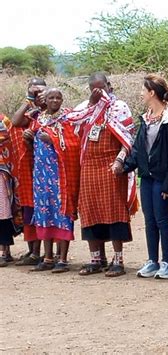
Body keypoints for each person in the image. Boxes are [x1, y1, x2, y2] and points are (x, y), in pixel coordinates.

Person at [68, 73, 138, 277]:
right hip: (88, 165)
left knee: (113, 210)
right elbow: (73, 128)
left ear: (110, 86)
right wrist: (92, 104)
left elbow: (128, 139)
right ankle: (96, 259)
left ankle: (118, 260)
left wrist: (119, 160)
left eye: (102, 88)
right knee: (90, 211)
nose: (99, 93)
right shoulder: (84, 108)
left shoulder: (119, 107)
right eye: (94, 89)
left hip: (111, 164)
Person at [123, 75, 168, 279]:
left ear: (151, 93)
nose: (140, 93)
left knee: (161, 220)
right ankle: (152, 260)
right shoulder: (146, 117)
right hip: (147, 177)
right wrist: (125, 166)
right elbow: (139, 148)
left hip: (162, 178)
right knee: (149, 220)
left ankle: (167, 262)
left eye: (143, 90)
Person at [27, 88, 80, 273]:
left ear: (62, 100)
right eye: (51, 97)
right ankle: (48, 257)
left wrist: (53, 139)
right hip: (41, 177)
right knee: (44, 212)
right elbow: (22, 128)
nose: (55, 100)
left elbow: (74, 142)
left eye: (58, 97)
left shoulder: (67, 118)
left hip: (61, 176)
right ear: (45, 100)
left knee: (62, 214)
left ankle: (63, 259)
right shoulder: (38, 119)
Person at [11, 78, 47, 266]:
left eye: (41, 91)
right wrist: (28, 100)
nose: (38, 95)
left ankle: (46, 253)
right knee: (28, 209)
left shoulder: (51, 112)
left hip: (46, 169)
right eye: (34, 91)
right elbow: (16, 121)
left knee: (42, 208)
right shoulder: (31, 112)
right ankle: (32, 250)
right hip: (28, 169)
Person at [0, 114, 21, 267]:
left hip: (1, 171)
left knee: (3, 211)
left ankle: (4, 251)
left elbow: (8, 140)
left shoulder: (3, 120)